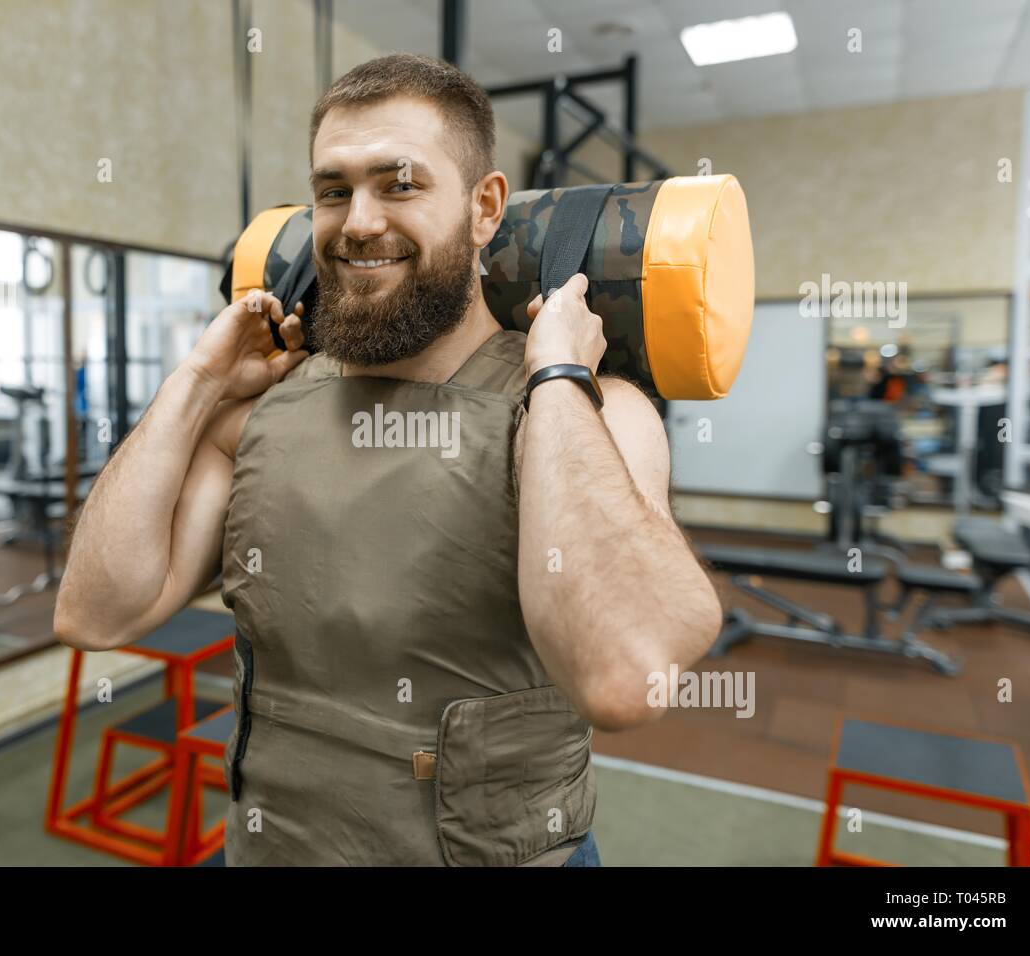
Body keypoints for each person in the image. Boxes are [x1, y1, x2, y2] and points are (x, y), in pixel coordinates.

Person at [55, 54, 722, 867]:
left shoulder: (591, 408)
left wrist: (554, 376)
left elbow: (623, 677)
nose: (359, 221)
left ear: (485, 208)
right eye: (333, 191)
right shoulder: (264, 410)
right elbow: (95, 612)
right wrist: (195, 383)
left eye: (399, 183)